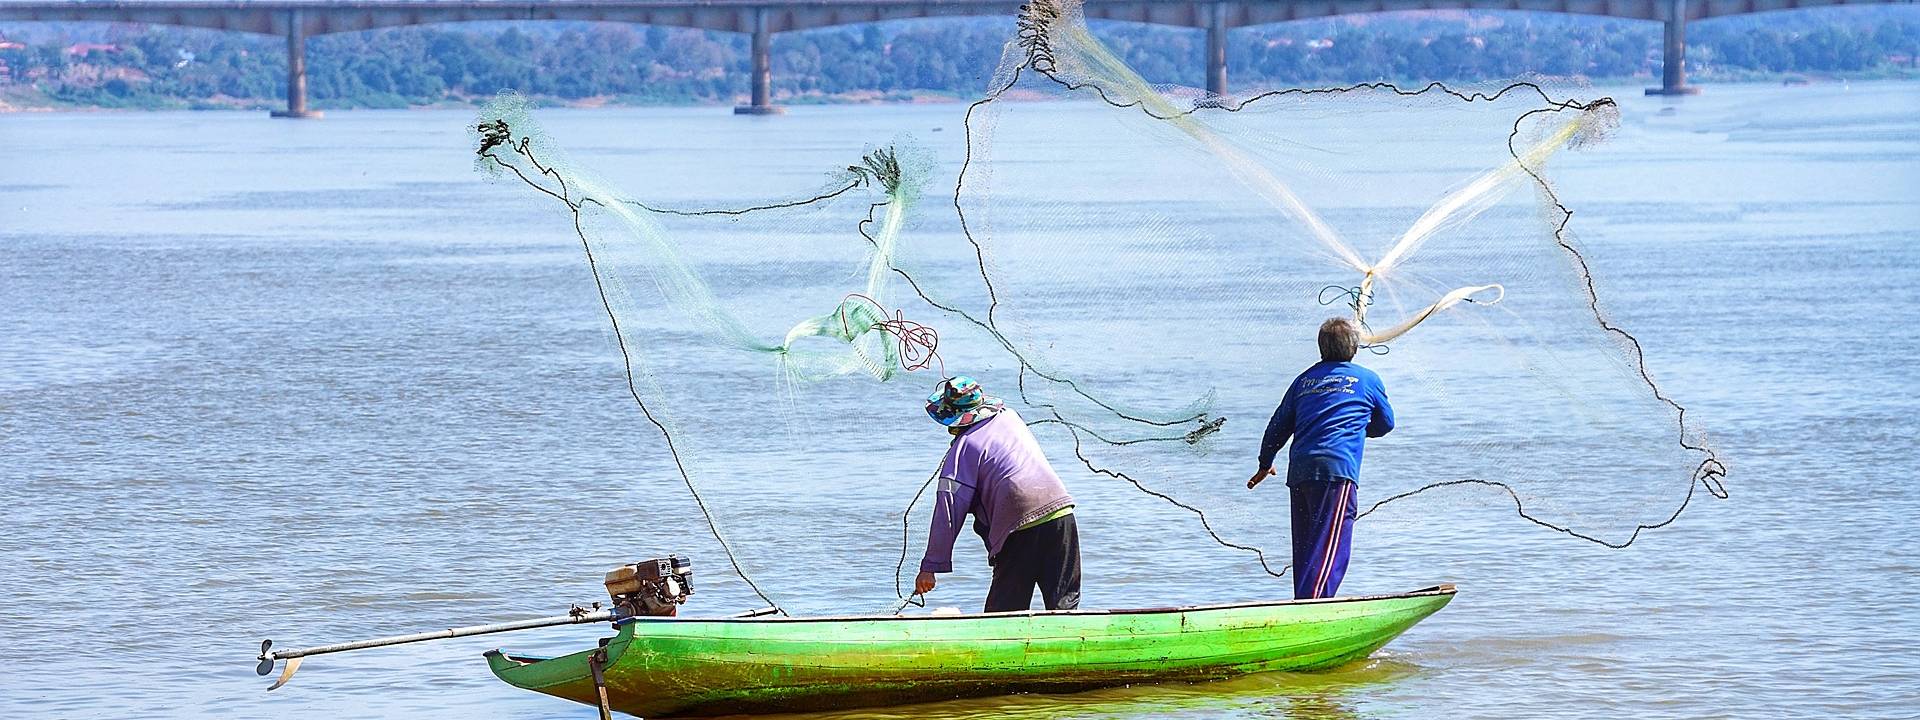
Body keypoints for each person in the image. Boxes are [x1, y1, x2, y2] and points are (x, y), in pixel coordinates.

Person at [1247, 317, 1394, 600]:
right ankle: (1313, 609)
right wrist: (1358, 427)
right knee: (1331, 548)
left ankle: (1302, 604)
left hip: (1301, 471)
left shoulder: (1303, 380)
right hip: (1336, 472)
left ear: (1321, 348)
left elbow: (1278, 426)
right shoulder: (1368, 380)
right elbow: (1386, 424)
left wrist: (1265, 463)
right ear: (1354, 348)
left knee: (1307, 548)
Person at [914, 376, 1081, 612]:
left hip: (1018, 526)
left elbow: (948, 512)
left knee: (1004, 612)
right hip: (1061, 512)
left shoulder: (962, 449)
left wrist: (930, 567)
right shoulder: (1011, 418)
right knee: (1064, 605)